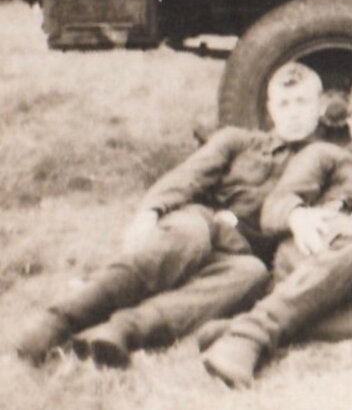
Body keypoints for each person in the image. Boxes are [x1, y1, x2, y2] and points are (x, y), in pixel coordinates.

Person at [14, 62, 325, 367]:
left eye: (302, 101)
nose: (294, 112)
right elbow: (189, 176)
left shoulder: (327, 164)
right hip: (201, 221)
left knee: (251, 275)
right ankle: (61, 319)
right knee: (190, 237)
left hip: (243, 252)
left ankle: (122, 331)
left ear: (319, 106)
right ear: (270, 109)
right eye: (284, 103)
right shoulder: (238, 141)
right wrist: (150, 212)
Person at [200, 74, 352, 387]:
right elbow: (278, 202)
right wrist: (297, 215)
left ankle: (237, 328)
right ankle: (248, 339)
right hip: (310, 252)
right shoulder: (325, 155)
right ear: (351, 126)